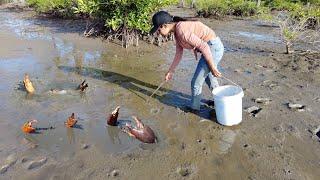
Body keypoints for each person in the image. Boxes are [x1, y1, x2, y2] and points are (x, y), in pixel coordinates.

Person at [150, 11, 224, 112]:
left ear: (164, 26)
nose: (158, 34)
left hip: (213, 48)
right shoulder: (177, 32)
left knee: (196, 83)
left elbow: (204, 46)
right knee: (208, 77)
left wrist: (212, 67)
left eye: (158, 31)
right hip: (212, 47)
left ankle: (194, 109)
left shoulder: (181, 30)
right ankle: (220, 100)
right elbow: (178, 54)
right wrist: (170, 71)